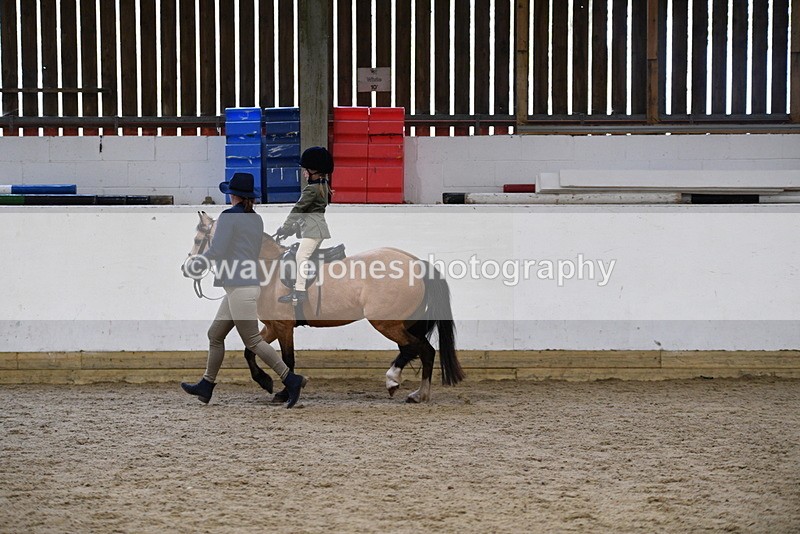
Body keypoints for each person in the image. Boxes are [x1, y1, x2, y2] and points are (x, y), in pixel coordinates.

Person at [181, 172, 307, 408]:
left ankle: (291, 379)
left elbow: (217, 250)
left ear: (232, 195)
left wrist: (196, 263)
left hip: (239, 287)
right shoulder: (255, 219)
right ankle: (206, 384)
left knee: (253, 341)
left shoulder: (228, 217)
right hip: (241, 286)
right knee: (215, 335)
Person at [276, 146, 333, 304]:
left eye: (305, 170)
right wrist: (290, 231)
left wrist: (286, 226)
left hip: (314, 231)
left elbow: (298, 209)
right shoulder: (322, 187)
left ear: (314, 171)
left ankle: (300, 291)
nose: (303, 173)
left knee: (302, 256)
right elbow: (307, 214)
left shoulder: (311, 190)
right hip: (315, 228)